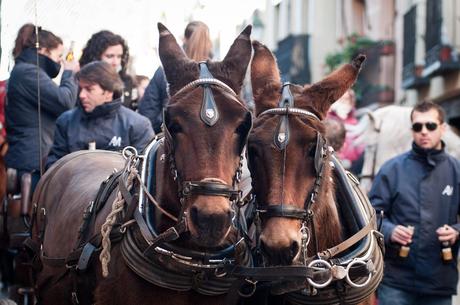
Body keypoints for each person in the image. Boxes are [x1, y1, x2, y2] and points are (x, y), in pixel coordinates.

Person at [369, 101, 460, 305]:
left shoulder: (456, 170)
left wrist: (456, 230)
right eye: (418, 126)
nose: (424, 132)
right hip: (396, 281)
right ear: (412, 130)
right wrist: (391, 230)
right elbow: (371, 215)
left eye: (431, 126)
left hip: (439, 281)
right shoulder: (392, 169)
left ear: (443, 128)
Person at [5, 23, 79, 188]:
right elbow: (65, 101)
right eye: (59, 56)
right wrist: (70, 73)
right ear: (43, 51)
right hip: (32, 163)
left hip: (32, 158)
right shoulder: (28, 73)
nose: (60, 62)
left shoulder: (24, 71)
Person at [46, 61, 154, 168]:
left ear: (109, 92)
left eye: (89, 89)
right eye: (81, 89)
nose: (82, 95)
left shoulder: (138, 125)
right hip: (73, 183)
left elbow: (145, 171)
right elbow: (55, 166)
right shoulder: (66, 121)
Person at [138, 21, 213, 133]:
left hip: (172, 139)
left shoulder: (164, 71)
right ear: (209, 42)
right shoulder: (217, 73)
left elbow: (147, 112)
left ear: (184, 39)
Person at [79, 30, 136, 110]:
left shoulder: (126, 81)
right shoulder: (81, 80)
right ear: (96, 56)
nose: (115, 62)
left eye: (119, 56)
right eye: (109, 56)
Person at [327, 89, 364, 174]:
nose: (343, 102)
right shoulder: (327, 121)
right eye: (340, 98)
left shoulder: (355, 123)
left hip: (352, 168)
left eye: (346, 99)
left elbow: (360, 147)